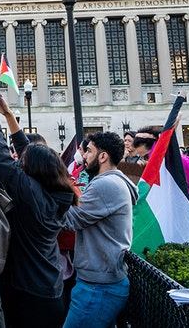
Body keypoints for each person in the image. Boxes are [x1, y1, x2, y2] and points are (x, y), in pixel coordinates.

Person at [0, 90, 76, 328]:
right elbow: (28, 151)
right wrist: (9, 115)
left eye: (22, 163)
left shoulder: (33, 197)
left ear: (33, 170)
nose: (19, 163)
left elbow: (3, 161)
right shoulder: (58, 192)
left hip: (30, 295)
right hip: (50, 290)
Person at [61, 131, 138, 328]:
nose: (84, 156)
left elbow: (69, 220)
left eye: (89, 151)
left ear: (103, 156)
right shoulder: (109, 182)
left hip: (98, 287)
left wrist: (51, 184)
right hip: (98, 283)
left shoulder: (106, 185)